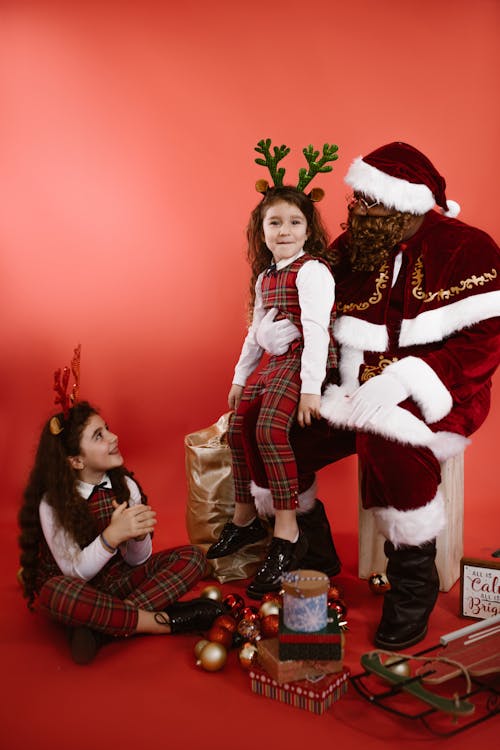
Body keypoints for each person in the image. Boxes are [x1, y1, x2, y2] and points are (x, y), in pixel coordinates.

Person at [242, 141, 500, 648]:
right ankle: (312, 549)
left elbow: (485, 340)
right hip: (347, 385)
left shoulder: (467, 247)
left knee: (390, 432)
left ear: (403, 200)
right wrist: (277, 334)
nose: (355, 210)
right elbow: (308, 305)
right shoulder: (353, 244)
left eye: (367, 200)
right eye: (355, 200)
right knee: (263, 424)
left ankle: (413, 582)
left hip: (439, 390)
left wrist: (405, 380)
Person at [207, 176, 340, 599]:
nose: (284, 232)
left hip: (307, 362)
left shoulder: (312, 270)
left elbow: (317, 330)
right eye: (274, 223)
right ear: (260, 231)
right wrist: (239, 377)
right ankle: (244, 518)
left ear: (308, 230)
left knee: (268, 429)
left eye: (294, 223)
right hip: (279, 361)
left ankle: (287, 532)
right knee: (238, 423)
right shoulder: (266, 277)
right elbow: (255, 332)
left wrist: (311, 389)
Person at [18, 399, 226, 664]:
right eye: (99, 435)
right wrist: (111, 536)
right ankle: (160, 623)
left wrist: (138, 538)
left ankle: (100, 631)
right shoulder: (52, 503)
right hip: (78, 588)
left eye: (107, 428)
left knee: (194, 557)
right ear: (77, 461)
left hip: (120, 583)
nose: (113, 437)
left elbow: (137, 561)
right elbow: (74, 573)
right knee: (55, 590)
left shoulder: (125, 485)